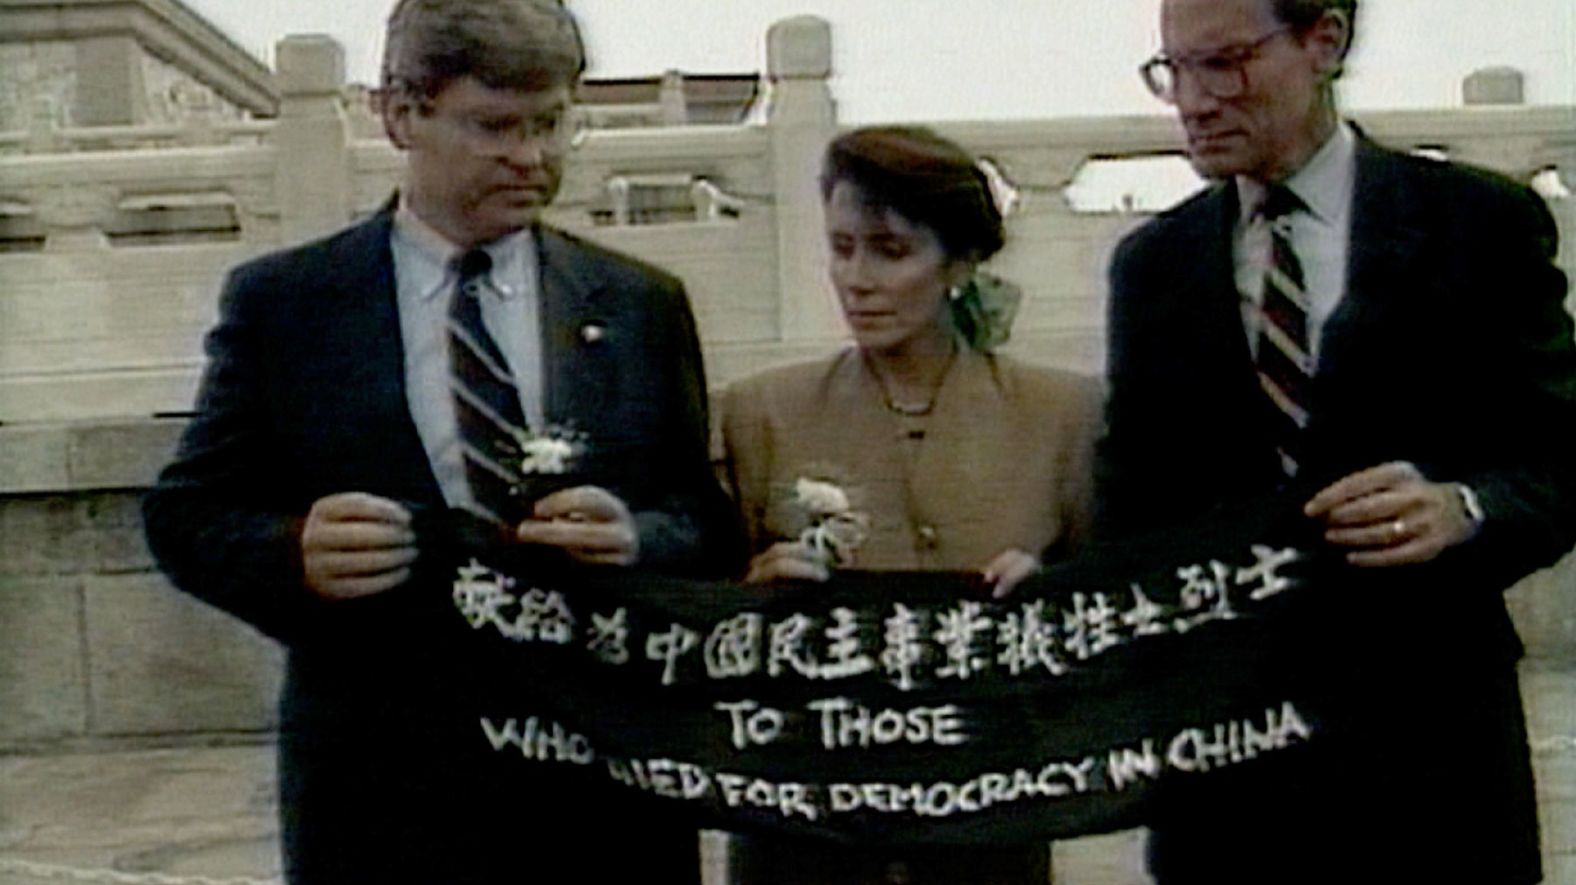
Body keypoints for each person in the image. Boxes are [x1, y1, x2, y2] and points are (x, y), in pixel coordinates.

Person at [141, 1, 740, 881]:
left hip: (602, 789)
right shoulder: (290, 305)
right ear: (400, 114)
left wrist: (638, 538)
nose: (532, 157)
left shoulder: (640, 304)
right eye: (494, 127)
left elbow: (712, 526)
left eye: (552, 124)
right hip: (382, 794)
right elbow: (186, 516)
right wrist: (291, 551)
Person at [1099, 0, 1576, 881]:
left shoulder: (1478, 226)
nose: (1193, 102)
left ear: (1325, 41)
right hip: (1231, 776)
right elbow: (1133, 510)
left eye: (1226, 64)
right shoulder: (1151, 268)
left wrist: (1465, 508)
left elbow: (1559, 456)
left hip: (1434, 749)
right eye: (1173, 71)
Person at [722, 126, 1102, 884]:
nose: (856, 279)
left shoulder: (1065, 416)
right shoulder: (757, 414)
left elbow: (1126, 612)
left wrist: (1054, 595)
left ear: (958, 263)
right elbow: (684, 613)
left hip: (987, 821)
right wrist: (750, 595)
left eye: (891, 252)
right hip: (807, 828)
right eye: (841, 247)